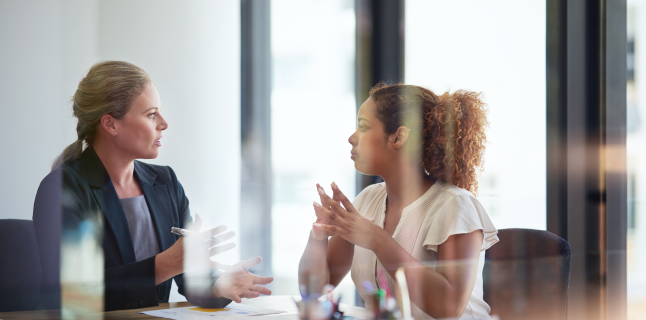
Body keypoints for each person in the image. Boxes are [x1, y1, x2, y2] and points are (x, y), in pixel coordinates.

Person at [33, 61, 272, 311]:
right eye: (151, 114)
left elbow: (189, 276)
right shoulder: (62, 189)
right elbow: (74, 293)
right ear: (110, 124)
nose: (164, 123)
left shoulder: (165, 182)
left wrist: (218, 284)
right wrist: (165, 265)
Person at [298, 83, 498, 320]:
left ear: (398, 137)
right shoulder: (368, 200)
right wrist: (318, 235)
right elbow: (314, 290)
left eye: (363, 127)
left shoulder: (456, 206)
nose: (352, 138)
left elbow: (449, 307)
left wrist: (377, 240)